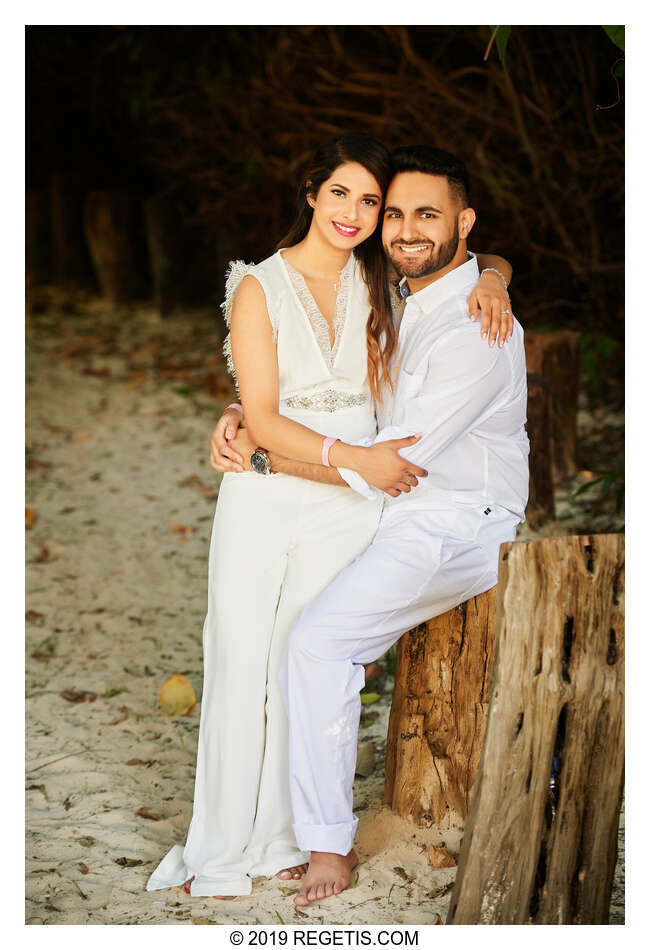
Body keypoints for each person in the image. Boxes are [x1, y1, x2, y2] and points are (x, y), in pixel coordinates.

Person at [147, 134, 514, 899]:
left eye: (372, 202)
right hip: (309, 490)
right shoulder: (292, 284)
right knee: (244, 656)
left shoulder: (397, 289)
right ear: (310, 192)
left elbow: (459, 275)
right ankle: (223, 843)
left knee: (303, 651)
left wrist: (499, 279)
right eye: (344, 195)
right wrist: (244, 421)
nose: (363, 215)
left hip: (370, 501)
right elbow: (272, 402)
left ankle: (293, 841)